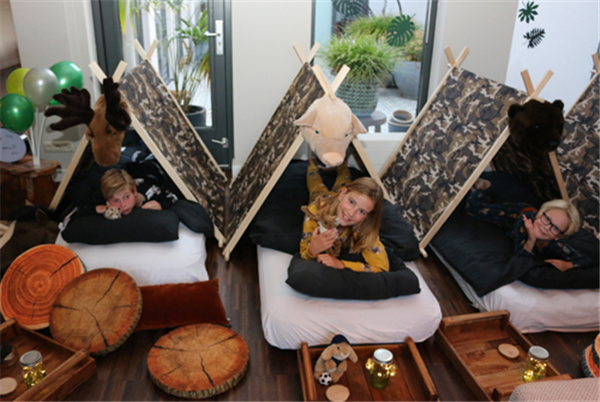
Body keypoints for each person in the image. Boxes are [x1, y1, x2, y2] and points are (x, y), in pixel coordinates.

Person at [465, 178, 592, 271]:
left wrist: (568, 265)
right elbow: (520, 258)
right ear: (540, 214)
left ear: (559, 236)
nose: (546, 227)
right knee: (474, 208)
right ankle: (481, 187)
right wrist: (531, 239)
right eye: (546, 219)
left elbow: (585, 259)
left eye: (555, 228)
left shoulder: (557, 244)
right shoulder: (523, 222)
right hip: (515, 214)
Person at [300, 158, 389, 273]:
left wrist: (342, 264)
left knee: (344, 179)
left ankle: (342, 165)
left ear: (367, 216)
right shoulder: (316, 211)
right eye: (351, 202)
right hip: (323, 199)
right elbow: (304, 253)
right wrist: (312, 250)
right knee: (316, 185)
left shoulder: (363, 228)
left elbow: (381, 267)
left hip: (340, 197)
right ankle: (312, 165)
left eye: (362, 212)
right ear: (343, 194)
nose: (351, 213)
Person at [95, 165, 178, 216]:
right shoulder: (107, 192)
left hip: (152, 169)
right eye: (116, 200)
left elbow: (174, 195)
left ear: (134, 192)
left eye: (126, 197)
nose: (123, 204)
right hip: (130, 169)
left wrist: (161, 205)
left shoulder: (153, 192)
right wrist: (97, 209)